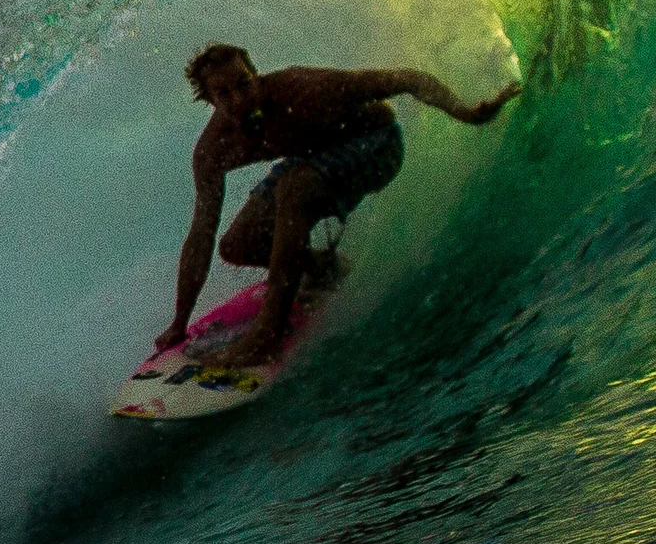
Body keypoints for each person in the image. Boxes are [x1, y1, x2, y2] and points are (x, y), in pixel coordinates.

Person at [157, 43, 521, 372]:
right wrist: (179, 322)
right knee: (237, 245)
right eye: (224, 93)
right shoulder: (213, 150)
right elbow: (201, 234)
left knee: (294, 187)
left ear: (256, 74)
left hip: (375, 144)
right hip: (311, 159)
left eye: (244, 83)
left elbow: (406, 79)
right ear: (209, 101)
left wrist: (466, 113)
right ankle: (322, 267)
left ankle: (268, 333)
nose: (239, 98)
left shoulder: (303, 89)